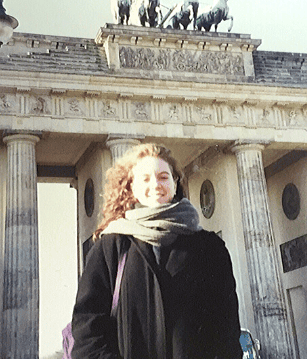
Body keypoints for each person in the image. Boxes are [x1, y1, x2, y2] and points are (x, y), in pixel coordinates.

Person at [71, 143, 242, 358]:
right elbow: (88, 331)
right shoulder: (110, 248)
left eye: (163, 177)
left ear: (175, 182)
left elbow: (226, 330)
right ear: (131, 187)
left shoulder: (209, 248)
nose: (156, 185)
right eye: (145, 178)